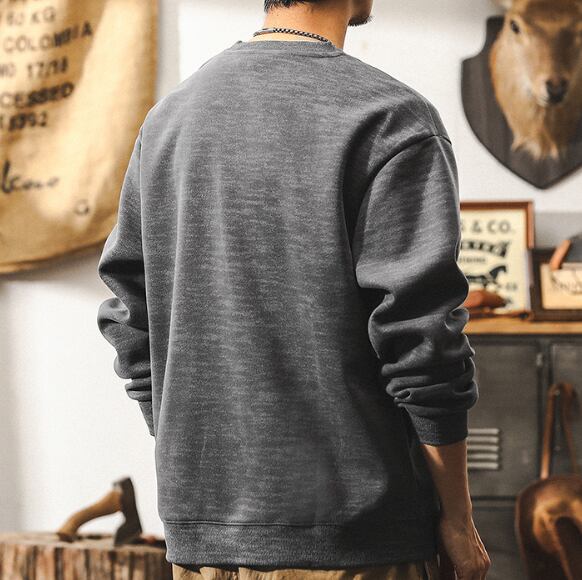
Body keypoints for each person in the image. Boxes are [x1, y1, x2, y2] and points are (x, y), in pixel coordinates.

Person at [96, 0, 492, 579]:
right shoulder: (389, 117)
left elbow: (131, 320)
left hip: (204, 539)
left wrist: (201, 457)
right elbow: (422, 338)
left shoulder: (169, 119)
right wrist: (457, 517)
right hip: (355, 540)